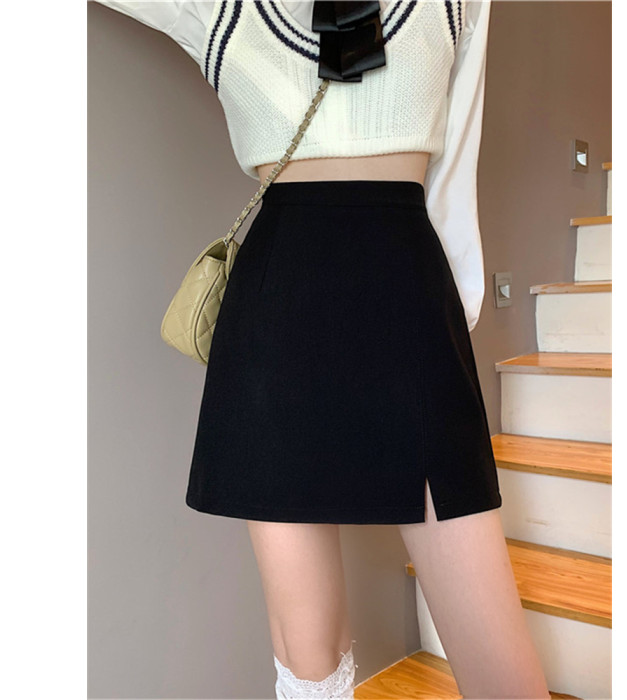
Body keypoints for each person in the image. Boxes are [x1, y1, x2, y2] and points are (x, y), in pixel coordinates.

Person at [93, 1, 551, 698]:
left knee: (497, 659)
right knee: (307, 651)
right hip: (277, 320)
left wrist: (446, 326)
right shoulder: (219, 8)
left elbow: (456, 167)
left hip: (410, 304)